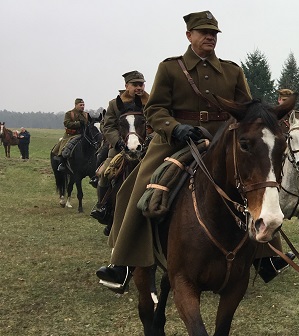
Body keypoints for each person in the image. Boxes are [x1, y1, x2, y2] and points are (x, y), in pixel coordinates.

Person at [96, 10, 287, 291]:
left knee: (256, 181)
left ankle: (266, 255)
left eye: (214, 33)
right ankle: (124, 261)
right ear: (189, 36)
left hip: (221, 141)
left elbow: (248, 111)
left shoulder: (232, 70)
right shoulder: (170, 68)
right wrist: (174, 128)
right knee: (134, 188)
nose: (210, 37)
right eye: (204, 32)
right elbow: (155, 108)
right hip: (175, 141)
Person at [92, 70, 151, 222]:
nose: (139, 87)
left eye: (141, 84)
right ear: (126, 86)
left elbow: (156, 123)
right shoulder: (114, 104)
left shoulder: (152, 102)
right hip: (120, 146)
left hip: (147, 146)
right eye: (135, 84)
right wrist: (118, 142)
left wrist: (150, 139)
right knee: (105, 172)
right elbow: (108, 126)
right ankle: (103, 207)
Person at [52, 99, 89, 172]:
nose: (82, 106)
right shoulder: (69, 114)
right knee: (68, 147)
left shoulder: (86, 114)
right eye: (80, 105)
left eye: (83, 105)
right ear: (76, 105)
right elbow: (67, 123)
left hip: (83, 134)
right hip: (72, 135)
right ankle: (62, 162)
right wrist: (78, 123)